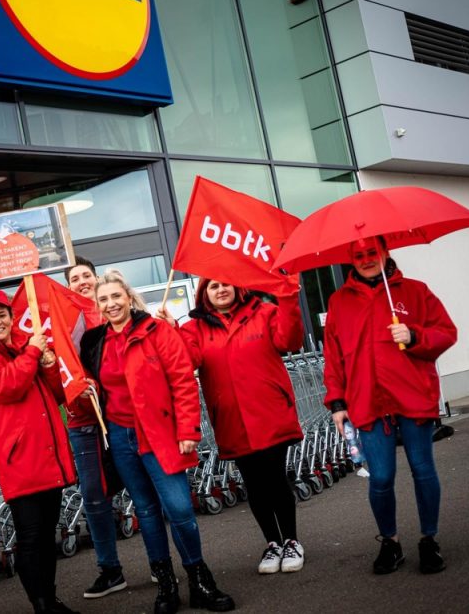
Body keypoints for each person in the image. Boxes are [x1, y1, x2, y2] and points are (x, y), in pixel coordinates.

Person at [80, 271, 235, 614]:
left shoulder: (156, 331)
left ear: (129, 298)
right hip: (121, 436)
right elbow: (93, 384)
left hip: (161, 433)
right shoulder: (95, 342)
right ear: (98, 305)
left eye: (116, 296)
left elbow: (182, 380)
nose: (111, 304)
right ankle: (166, 585)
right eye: (103, 299)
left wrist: (188, 432)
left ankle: (200, 580)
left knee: (179, 508)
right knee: (147, 512)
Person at [323, 237, 457, 575]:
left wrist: (414, 336)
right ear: (350, 259)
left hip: (413, 396)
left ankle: (429, 540)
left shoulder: (415, 291)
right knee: (380, 477)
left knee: (422, 470)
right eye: (359, 255)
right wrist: (337, 402)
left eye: (372, 252)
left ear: (385, 252)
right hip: (367, 401)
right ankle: (390, 542)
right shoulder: (339, 302)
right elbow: (333, 358)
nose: (367, 259)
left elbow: (446, 332)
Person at [158, 277, 306, 575]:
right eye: (213, 286)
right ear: (204, 294)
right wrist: (171, 330)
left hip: (270, 413)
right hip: (232, 420)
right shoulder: (193, 329)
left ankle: (291, 541)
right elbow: (187, 361)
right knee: (254, 483)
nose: (221, 289)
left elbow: (290, 341)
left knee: (275, 478)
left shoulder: (263, 313)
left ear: (239, 287)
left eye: (226, 284)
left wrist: (288, 299)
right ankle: (272, 543)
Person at [0, 288, 78, 614]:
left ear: (12, 318)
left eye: (2, 315)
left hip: (47, 460)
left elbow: (57, 394)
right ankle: (41, 605)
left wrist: (48, 364)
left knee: (46, 538)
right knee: (31, 538)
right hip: (21, 464)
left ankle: (50, 599)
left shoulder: (23, 352)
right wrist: (32, 354)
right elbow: (8, 386)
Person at [62, 257, 128, 599]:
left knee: (142, 489)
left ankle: (165, 564)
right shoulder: (62, 322)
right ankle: (110, 569)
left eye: (87, 275)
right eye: (75, 278)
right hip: (84, 422)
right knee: (94, 497)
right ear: (68, 286)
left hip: (120, 417)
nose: (82, 281)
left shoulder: (112, 309)